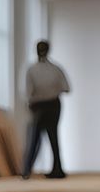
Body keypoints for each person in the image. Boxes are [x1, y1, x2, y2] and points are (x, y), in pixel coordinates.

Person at [21, 39, 69, 179]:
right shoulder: (56, 69)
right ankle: (57, 170)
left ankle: (26, 170)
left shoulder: (31, 70)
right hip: (53, 104)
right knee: (53, 137)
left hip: (38, 106)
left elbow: (28, 92)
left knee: (33, 138)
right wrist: (52, 89)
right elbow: (66, 88)